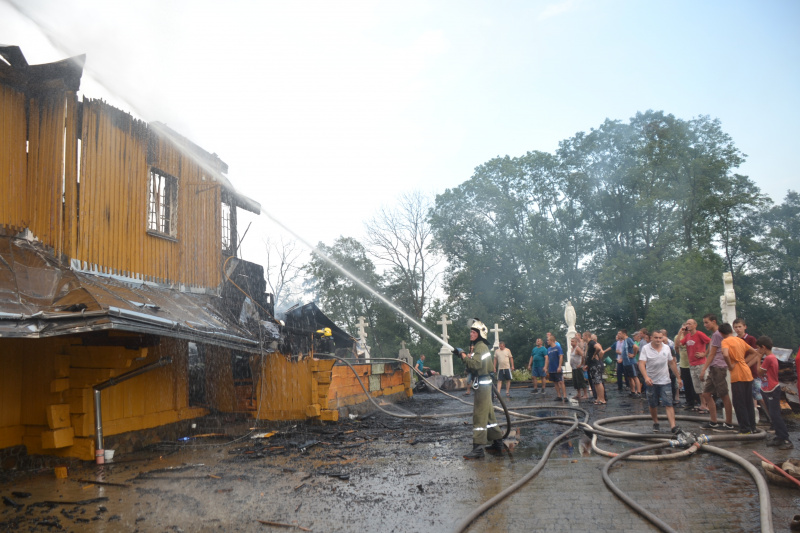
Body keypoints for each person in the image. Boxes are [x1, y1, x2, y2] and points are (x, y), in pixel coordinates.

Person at [458, 319, 505, 459]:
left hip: (483, 385)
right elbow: (475, 362)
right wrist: (463, 356)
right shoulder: (480, 347)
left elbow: (476, 365)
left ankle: (478, 449)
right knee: (489, 414)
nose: (471, 334)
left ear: (480, 334)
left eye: (474, 332)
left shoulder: (480, 347)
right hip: (485, 383)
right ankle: (498, 443)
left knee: (479, 415)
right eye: (471, 332)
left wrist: (463, 356)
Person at [637, 330, 683, 434]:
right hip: (651, 381)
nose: (658, 340)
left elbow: (671, 363)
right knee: (653, 404)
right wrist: (646, 377)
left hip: (665, 380)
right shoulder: (646, 348)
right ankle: (656, 422)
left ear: (663, 338)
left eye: (660, 338)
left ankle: (673, 426)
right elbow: (641, 363)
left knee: (668, 403)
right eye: (656, 337)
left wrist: (678, 377)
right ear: (651, 338)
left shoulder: (667, 348)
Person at [719, 323, 758, 434]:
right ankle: (753, 427)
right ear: (731, 330)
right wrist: (743, 361)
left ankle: (745, 429)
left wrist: (730, 366)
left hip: (737, 375)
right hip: (747, 373)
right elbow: (754, 352)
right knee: (748, 402)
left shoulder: (725, 341)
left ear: (721, 333)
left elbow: (725, 354)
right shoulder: (740, 340)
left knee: (739, 403)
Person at [757, 336, 793, 449]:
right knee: (773, 415)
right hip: (767, 388)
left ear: (763, 347)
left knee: (775, 415)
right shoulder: (770, 357)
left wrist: (758, 358)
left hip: (772, 389)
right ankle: (779, 436)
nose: (758, 350)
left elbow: (759, 372)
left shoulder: (769, 358)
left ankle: (786, 439)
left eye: (759, 348)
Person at [699, 314, 734, 431]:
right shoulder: (716, 335)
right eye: (704, 323)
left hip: (719, 366)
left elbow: (712, 353)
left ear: (714, 321)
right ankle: (713, 421)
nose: (705, 325)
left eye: (706, 322)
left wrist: (703, 369)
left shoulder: (717, 334)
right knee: (706, 394)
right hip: (714, 367)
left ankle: (729, 423)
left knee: (723, 394)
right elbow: (711, 349)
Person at [734, 318, 769, 424]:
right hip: (741, 373)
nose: (738, 329)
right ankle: (752, 419)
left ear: (745, 327)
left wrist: (745, 364)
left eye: (740, 327)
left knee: (759, 396)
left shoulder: (751, 339)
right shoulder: (735, 340)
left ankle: (771, 418)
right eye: (736, 327)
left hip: (752, 372)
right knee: (748, 397)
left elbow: (756, 354)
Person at [678, 319, 710, 413]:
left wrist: (705, 354)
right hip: (691, 364)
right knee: (697, 387)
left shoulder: (699, 334)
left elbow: (711, 342)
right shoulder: (687, 336)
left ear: (695, 325)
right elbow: (678, 344)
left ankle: (708, 406)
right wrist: (680, 332)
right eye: (687, 323)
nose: (688, 325)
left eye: (690, 324)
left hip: (701, 363)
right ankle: (702, 405)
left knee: (703, 385)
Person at [675, 328, 700, 410]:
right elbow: (676, 346)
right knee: (686, 384)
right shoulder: (678, 337)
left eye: (687, 329)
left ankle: (697, 401)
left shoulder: (692, 337)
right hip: (683, 363)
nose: (685, 330)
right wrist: (680, 333)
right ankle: (689, 402)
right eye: (684, 328)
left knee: (695, 383)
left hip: (692, 363)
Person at [584, 332, 606, 404]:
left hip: (595, 365)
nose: (582, 338)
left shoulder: (592, 342)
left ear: (586, 336)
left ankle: (602, 399)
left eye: (583, 336)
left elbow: (599, 348)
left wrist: (595, 355)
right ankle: (598, 398)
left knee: (598, 382)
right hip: (591, 365)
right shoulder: (588, 344)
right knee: (595, 382)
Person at [619, 330, 641, 398]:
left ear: (624, 334)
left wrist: (634, 354)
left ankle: (639, 392)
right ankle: (633, 391)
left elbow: (636, 347)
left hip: (631, 362)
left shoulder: (628, 340)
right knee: (629, 378)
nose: (618, 335)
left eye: (620, 334)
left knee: (635, 377)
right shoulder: (624, 341)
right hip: (626, 363)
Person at [544, 335, 565, 401]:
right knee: (555, 382)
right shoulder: (548, 349)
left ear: (552, 340)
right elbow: (548, 359)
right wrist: (546, 367)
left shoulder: (558, 348)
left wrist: (559, 366)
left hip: (557, 368)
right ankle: (559, 396)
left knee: (561, 382)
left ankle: (565, 396)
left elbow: (561, 357)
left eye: (548, 340)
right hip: (551, 368)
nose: (547, 341)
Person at [569, 336, 588, 400]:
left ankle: (585, 394)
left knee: (581, 381)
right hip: (574, 368)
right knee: (576, 382)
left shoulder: (577, 348)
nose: (571, 343)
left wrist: (581, 364)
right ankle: (578, 394)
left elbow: (583, 355)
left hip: (578, 368)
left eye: (573, 341)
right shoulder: (572, 349)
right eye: (571, 341)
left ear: (576, 342)